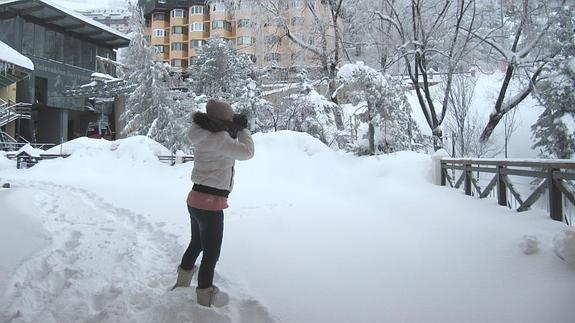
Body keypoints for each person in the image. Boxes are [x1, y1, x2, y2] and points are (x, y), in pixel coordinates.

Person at [172, 99, 255, 307]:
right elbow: (247, 152)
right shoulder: (219, 138)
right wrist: (243, 130)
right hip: (211, 203)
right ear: (222, 121)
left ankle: (182, 283)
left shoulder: (202, 133)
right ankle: (204, 298)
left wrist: (232, 128)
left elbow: (224, 141)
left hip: (195, 198)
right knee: (211, 255)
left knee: (196, 243)